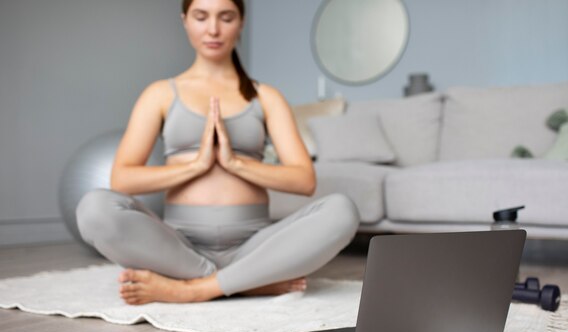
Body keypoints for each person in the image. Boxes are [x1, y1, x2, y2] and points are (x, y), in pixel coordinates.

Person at [75, 0, 360, 305]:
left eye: (226, 17)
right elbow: (123, 179)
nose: (213, 29)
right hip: (178, 247)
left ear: (241, 22)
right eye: (201, 17)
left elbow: (304, 180)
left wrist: (234, 163)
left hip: (254, 245)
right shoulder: (159, 93)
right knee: (93, 208)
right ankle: (246, 282)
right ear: (185, 20)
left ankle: (195, 288)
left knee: (342, 210)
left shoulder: (266, 97)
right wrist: (196, 166)